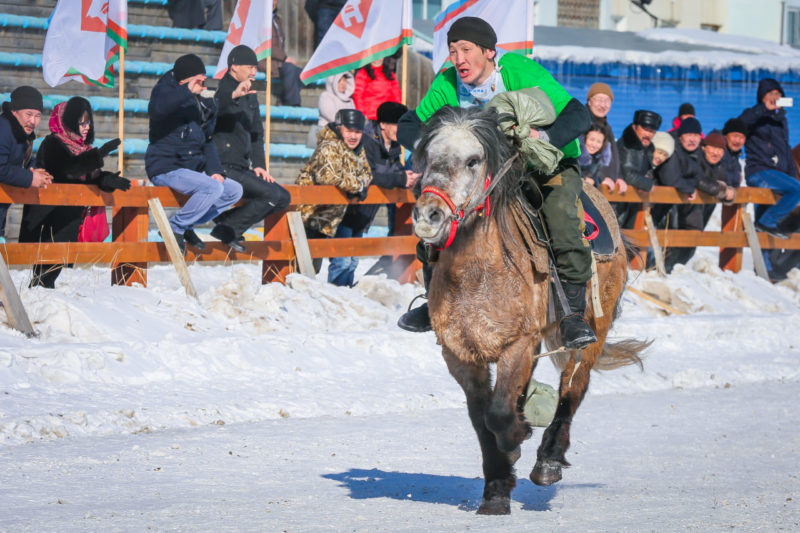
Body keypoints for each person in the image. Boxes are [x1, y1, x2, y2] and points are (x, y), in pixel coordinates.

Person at [396, 17, 595, 349]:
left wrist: (540, 135)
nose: (458, 59)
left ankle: (573, 316)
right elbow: (407, 125)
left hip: (547, 163)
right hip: (492, 172)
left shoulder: (518, 71)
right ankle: (434, 300)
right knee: (438, 208)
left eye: (466, 49)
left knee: (559, 213)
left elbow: (578, 114)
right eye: (452, 50)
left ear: (489, 51)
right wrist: (433, 141)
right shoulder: (447, 82)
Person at [18, 97, 130, 288]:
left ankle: (43, 294)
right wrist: (99, 154)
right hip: (47, 217)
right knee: (45, 268)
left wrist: (107, 180)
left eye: (88, 122)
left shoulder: (82, 149)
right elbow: (68, 170)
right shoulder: (52, 143)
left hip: (67, 218)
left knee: (55, 264)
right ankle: (38, 295)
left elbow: (89, 176)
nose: (86, 127)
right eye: (81, 122)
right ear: (68, 122)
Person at [146, 54, 243, 254]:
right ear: (185, 80)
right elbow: (158, 109)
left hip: (191, 169)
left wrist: (215, 170)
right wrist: (186, 92)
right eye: (198, 80)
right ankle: (175, 228)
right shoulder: (164, 92)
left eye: (204, 80)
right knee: (211, 189)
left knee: (233, 191)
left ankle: (185, 225)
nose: (202, 85)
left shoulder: (199, 100)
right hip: (166, 166)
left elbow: (207, 140)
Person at [328, 102, 418, 287]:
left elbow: (395, 171)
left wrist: (408, 177)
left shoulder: (393, 147)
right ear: (383, 124)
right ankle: (335, 292)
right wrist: (400, 179)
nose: (399, 130)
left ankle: (344, 297)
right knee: (343, 260)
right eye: (396, 124)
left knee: (352, 260)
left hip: (363, 213)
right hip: (347, 209)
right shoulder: (366, 143)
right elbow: (368, 174)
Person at [213, 45, 291, 252]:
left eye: (255, 68)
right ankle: (229, 227)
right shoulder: (220, 89)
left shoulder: (251, 92)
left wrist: (259, 165)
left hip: (241, 165)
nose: (254, 72)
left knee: (283, 197)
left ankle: (227, 222)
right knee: (271, 195)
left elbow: (257, 134)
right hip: (221, 165)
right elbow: (214, 111)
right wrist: (234, 96)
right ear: (234, 67)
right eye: (249, 67)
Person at [296, 109, 372, 273]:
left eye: (357, 132)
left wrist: (356, 184)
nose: (353, 136)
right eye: (349, 130)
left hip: (326, 218)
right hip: (309, 214)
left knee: (312, 269)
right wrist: (357, 186)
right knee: (302, 268)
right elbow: (328, 177)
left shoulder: (358, 149)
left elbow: (367, 173)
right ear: (339, 128)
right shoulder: (329, 146)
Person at [738, 78, 800, 239]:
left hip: (777, 175)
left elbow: (785, 151)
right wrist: (764, 108)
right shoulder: (753, 114)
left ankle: (761, 235)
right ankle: (767, 222)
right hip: (760, 171)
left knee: (793, 190)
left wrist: (791, 177)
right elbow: (740, 123)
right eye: (771, 94)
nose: (775, 97)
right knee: (797, 190)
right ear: (762, 97)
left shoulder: (781, 121)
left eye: (778, 94)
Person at [0, 86, 53, 240]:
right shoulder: (3, 129)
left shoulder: (20, 134)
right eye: (28, 114)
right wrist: (30, 178)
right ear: (14, 111)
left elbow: (23, 163)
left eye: (38, 116)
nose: (33, 121)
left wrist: (39, 172)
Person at [616, 109, 661, 229]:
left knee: (632, 242)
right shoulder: (627, 144)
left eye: (652, 131)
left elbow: (650, 172)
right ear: (635, 127)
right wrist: (648, 184)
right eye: (645, 129)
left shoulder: (649, 147)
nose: (649, 134)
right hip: (619, 204)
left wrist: (647, 181)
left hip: (635, 204)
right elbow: (628, 175)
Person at [584, 82, 621, 187]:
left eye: (607, 101)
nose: (603, 105)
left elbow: (615, 157)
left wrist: (619, 178)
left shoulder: (607, 127)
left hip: (607, 186)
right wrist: (600, 177)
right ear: (589, 101)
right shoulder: (582, 122)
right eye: (599, 100)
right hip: (589, 184)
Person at [306, 72, 355, 148]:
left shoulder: (349, 101)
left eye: (345, 81)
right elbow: (333, 117)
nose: (343, 84)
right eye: (339, 81)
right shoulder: (325, 96)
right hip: (328, 133)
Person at [269, 0, 302, 107]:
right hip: (265, 60)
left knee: (301, 73)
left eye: (274, 0)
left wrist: (283, 59)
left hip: (278, 61)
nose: (273, 2)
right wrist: (284, 58)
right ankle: (292, 104)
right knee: (290, 69)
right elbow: (266, 45)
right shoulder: (260, 21)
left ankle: (283, 98)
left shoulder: (277, 20)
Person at [579, 124, 626, 193]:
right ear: (584, 138)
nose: (594, 145)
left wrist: (598, 180)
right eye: (592, 140)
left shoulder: (597, 159)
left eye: (599, 142)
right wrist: (584, 178)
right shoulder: (575, 154)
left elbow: (594, 177)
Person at [353, 55, 402, 121]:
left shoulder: (390, 74)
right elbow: (358, 97)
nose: (377, 59)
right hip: (369, 119)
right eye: (374, 56)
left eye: (380, 55)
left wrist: (396, 113)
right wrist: (363, 115)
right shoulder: (363, 73)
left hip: (387, 118)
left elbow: (397, 97)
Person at [721, 117, 747, 188]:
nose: (737, 140)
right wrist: (736, 177)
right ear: (725, 135)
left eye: (741, 137)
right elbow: (717, 175)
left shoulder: (734, 154)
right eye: (735, 136)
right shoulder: (719, 149)